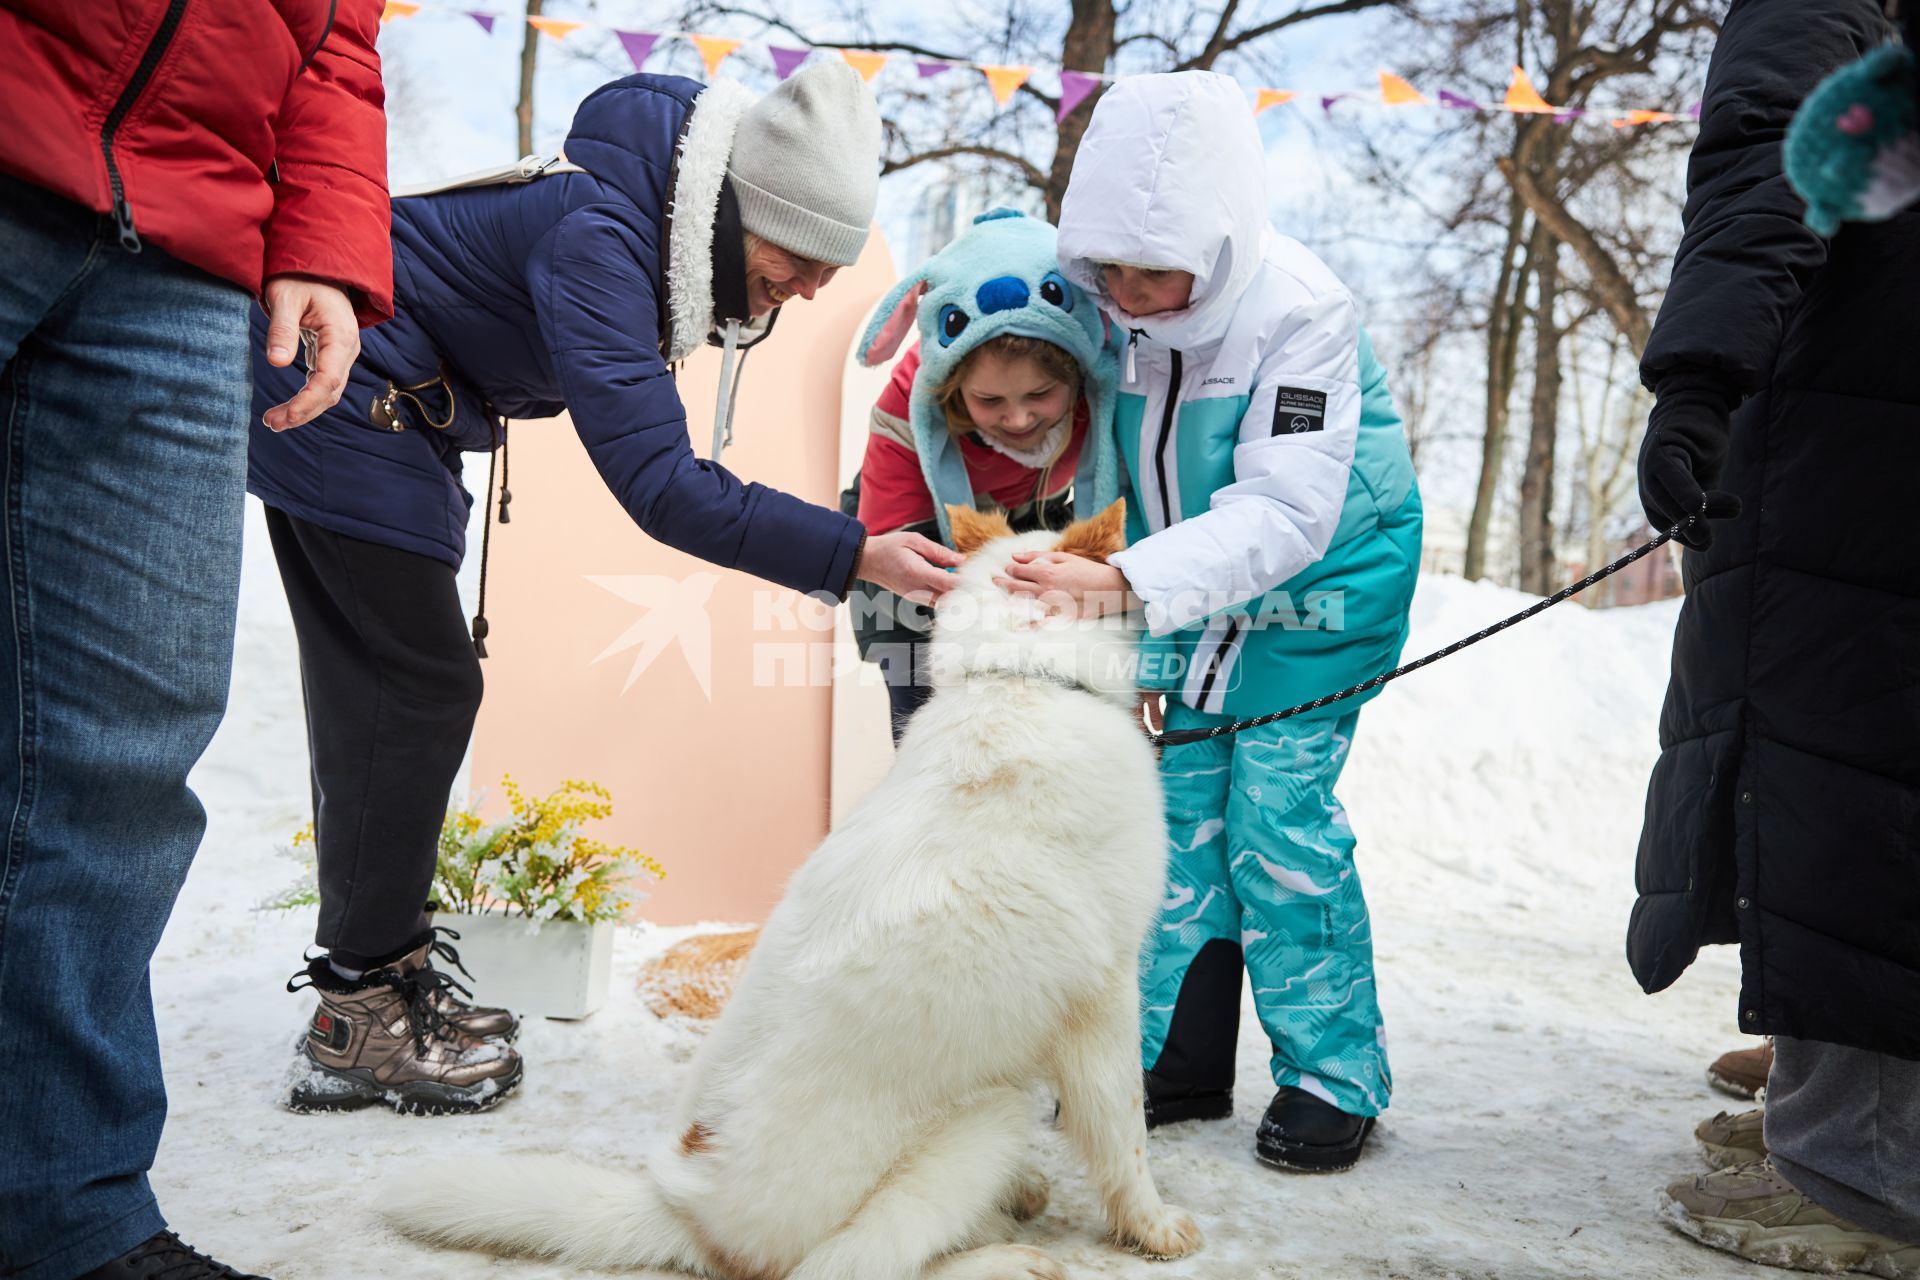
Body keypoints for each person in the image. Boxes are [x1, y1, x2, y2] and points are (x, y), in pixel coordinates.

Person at [249, 59, 965, 1117]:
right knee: (411, 687)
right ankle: (362, 1010)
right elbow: (664, 487)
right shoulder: (605, 239)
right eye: (800, 256)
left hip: (392, 405)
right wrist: (854, 550)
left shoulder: (646, 220)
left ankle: (376, 990)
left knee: (395, 688)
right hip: (347, 389)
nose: (812, 288)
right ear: (734, 212)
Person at [0, 2, 391, 1276]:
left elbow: (340, 25)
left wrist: (320, 231)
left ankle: (70, 1216)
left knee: (122, 750)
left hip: (188, 237)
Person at [1007, 70, 1422, 1173]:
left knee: (1279, 826)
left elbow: (1285, 511)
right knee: (1177, 813)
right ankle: (1173, 1059)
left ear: (1223, 241)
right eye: (1112, 268)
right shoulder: (1103, 299)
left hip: (1319, 586)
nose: (1130, 292)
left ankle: (1334, 1073)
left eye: (1155, 269)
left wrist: (1130, 584)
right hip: (1183, 583)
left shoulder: (1301, 314)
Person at [1627, 1, 1920, 1273]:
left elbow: (1770, 152)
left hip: (1857, 439)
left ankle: (1862, 1167)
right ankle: (1833, 1081)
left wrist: (1699, 376)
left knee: (1842, 764)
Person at [847, 208, 1120, 741]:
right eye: (989, 400)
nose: (1018, 418)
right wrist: (987, 618)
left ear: (1079, 376)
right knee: (925, 704)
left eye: (1040, 395)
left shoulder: (1107, 391)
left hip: (1034, 515)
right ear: (952, 390)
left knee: (1056, 687)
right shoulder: (905, 411)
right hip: (913, 543)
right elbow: (896, 553)